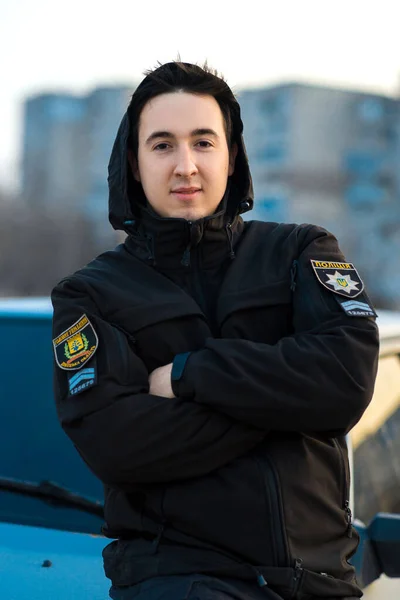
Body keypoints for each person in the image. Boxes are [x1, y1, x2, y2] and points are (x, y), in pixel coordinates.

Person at [51, 61, 379, 600]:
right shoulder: (91, 294)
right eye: (162, 145)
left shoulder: (301, 250)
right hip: (177, 583)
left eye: (204, 142)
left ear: (232, 156)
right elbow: (118, 445)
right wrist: (288, 402)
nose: (186, 166)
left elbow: (344, 381)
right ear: (133, 163)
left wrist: (189, 373)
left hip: (323, 583)